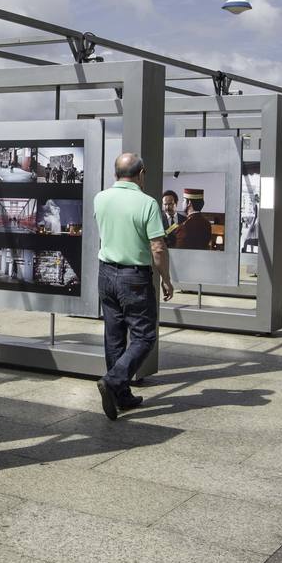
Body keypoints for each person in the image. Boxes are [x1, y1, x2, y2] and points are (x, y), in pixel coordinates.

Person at [93, 153, 174, 420]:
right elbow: (158, 247)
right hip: (134, 277)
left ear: (115, 173)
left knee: (114, 335)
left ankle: (121, 396)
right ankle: (114, 380)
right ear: (141, 174)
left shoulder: (101, 198)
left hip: (105, 274)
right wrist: (165, 278)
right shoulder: (147, 203)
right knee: (144, 336)